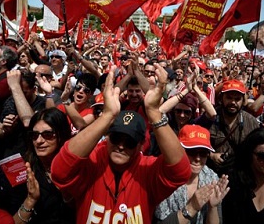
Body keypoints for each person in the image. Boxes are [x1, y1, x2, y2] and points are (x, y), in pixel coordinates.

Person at [50, 65, 191, 223]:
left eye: (130, 142)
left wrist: (153, 112)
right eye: (116, 138)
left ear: (140, 145)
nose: (121, 146)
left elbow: (181, 171)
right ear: (108, 137)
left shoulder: (148, 171)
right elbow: (59, 171)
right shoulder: (93, 163)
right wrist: (107, 116)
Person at [0, 108, 75, 224]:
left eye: (47, 134)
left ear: (61, 135)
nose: (39, 141)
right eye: (34, 135)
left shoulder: (74, 166)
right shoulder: (18, 168)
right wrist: (30, 200)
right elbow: (11, 221)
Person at [154, 124, 229, 224]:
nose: (198, 159)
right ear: (179, 150)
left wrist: (213, 207)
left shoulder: (211, 178)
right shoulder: (165, 179)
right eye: (192, 152)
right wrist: (191, 207)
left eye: (203, 153)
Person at [196, 79, 261, 175]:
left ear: (243, 101)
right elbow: (196, 143)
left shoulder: (251, 122)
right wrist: (211, 155)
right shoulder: (210, 118)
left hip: (240, 174)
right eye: (229, 98)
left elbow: (258, 149)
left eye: (237, 99)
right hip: (211, 173)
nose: (233, 102)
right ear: (221, 98)